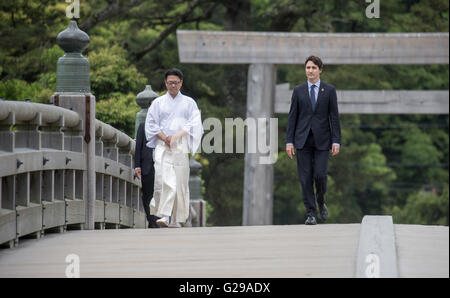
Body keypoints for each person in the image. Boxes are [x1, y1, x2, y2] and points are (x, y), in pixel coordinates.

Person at [286, 55, 341, 225]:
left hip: (323, 141)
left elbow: (334, 117)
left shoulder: (329, 90)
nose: (310, 71)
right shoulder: (298, 91)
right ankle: (311, 213)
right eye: (308, 68)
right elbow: (292, 117)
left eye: (313, 68)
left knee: (320, 174)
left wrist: (336, 140)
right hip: (302, 140)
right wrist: (289, 141)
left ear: (320, 70)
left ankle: (321, 200)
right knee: (305, 178)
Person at [145, 68, 203, 228]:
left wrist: (176, 137)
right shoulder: (157, 103)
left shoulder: (189, 103)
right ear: (165, 83)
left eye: (176, 83)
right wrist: (165, 138)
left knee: (180, 182)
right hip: (163, 145)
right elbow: (151, 124)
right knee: (163, 179)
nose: (173, 86)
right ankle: (164, 215)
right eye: (170, 83)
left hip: (180, 145)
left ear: (181, 83)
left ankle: (177, 219)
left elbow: (194, 123)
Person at [134, 121, 160, 228]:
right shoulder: (143, 125)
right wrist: (137, 166)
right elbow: (138, 146)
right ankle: (151, 219)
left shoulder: (166, 123)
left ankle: (156, 219)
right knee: (147, 194)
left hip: (162, 164)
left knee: (160, 192)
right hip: (147, 164)